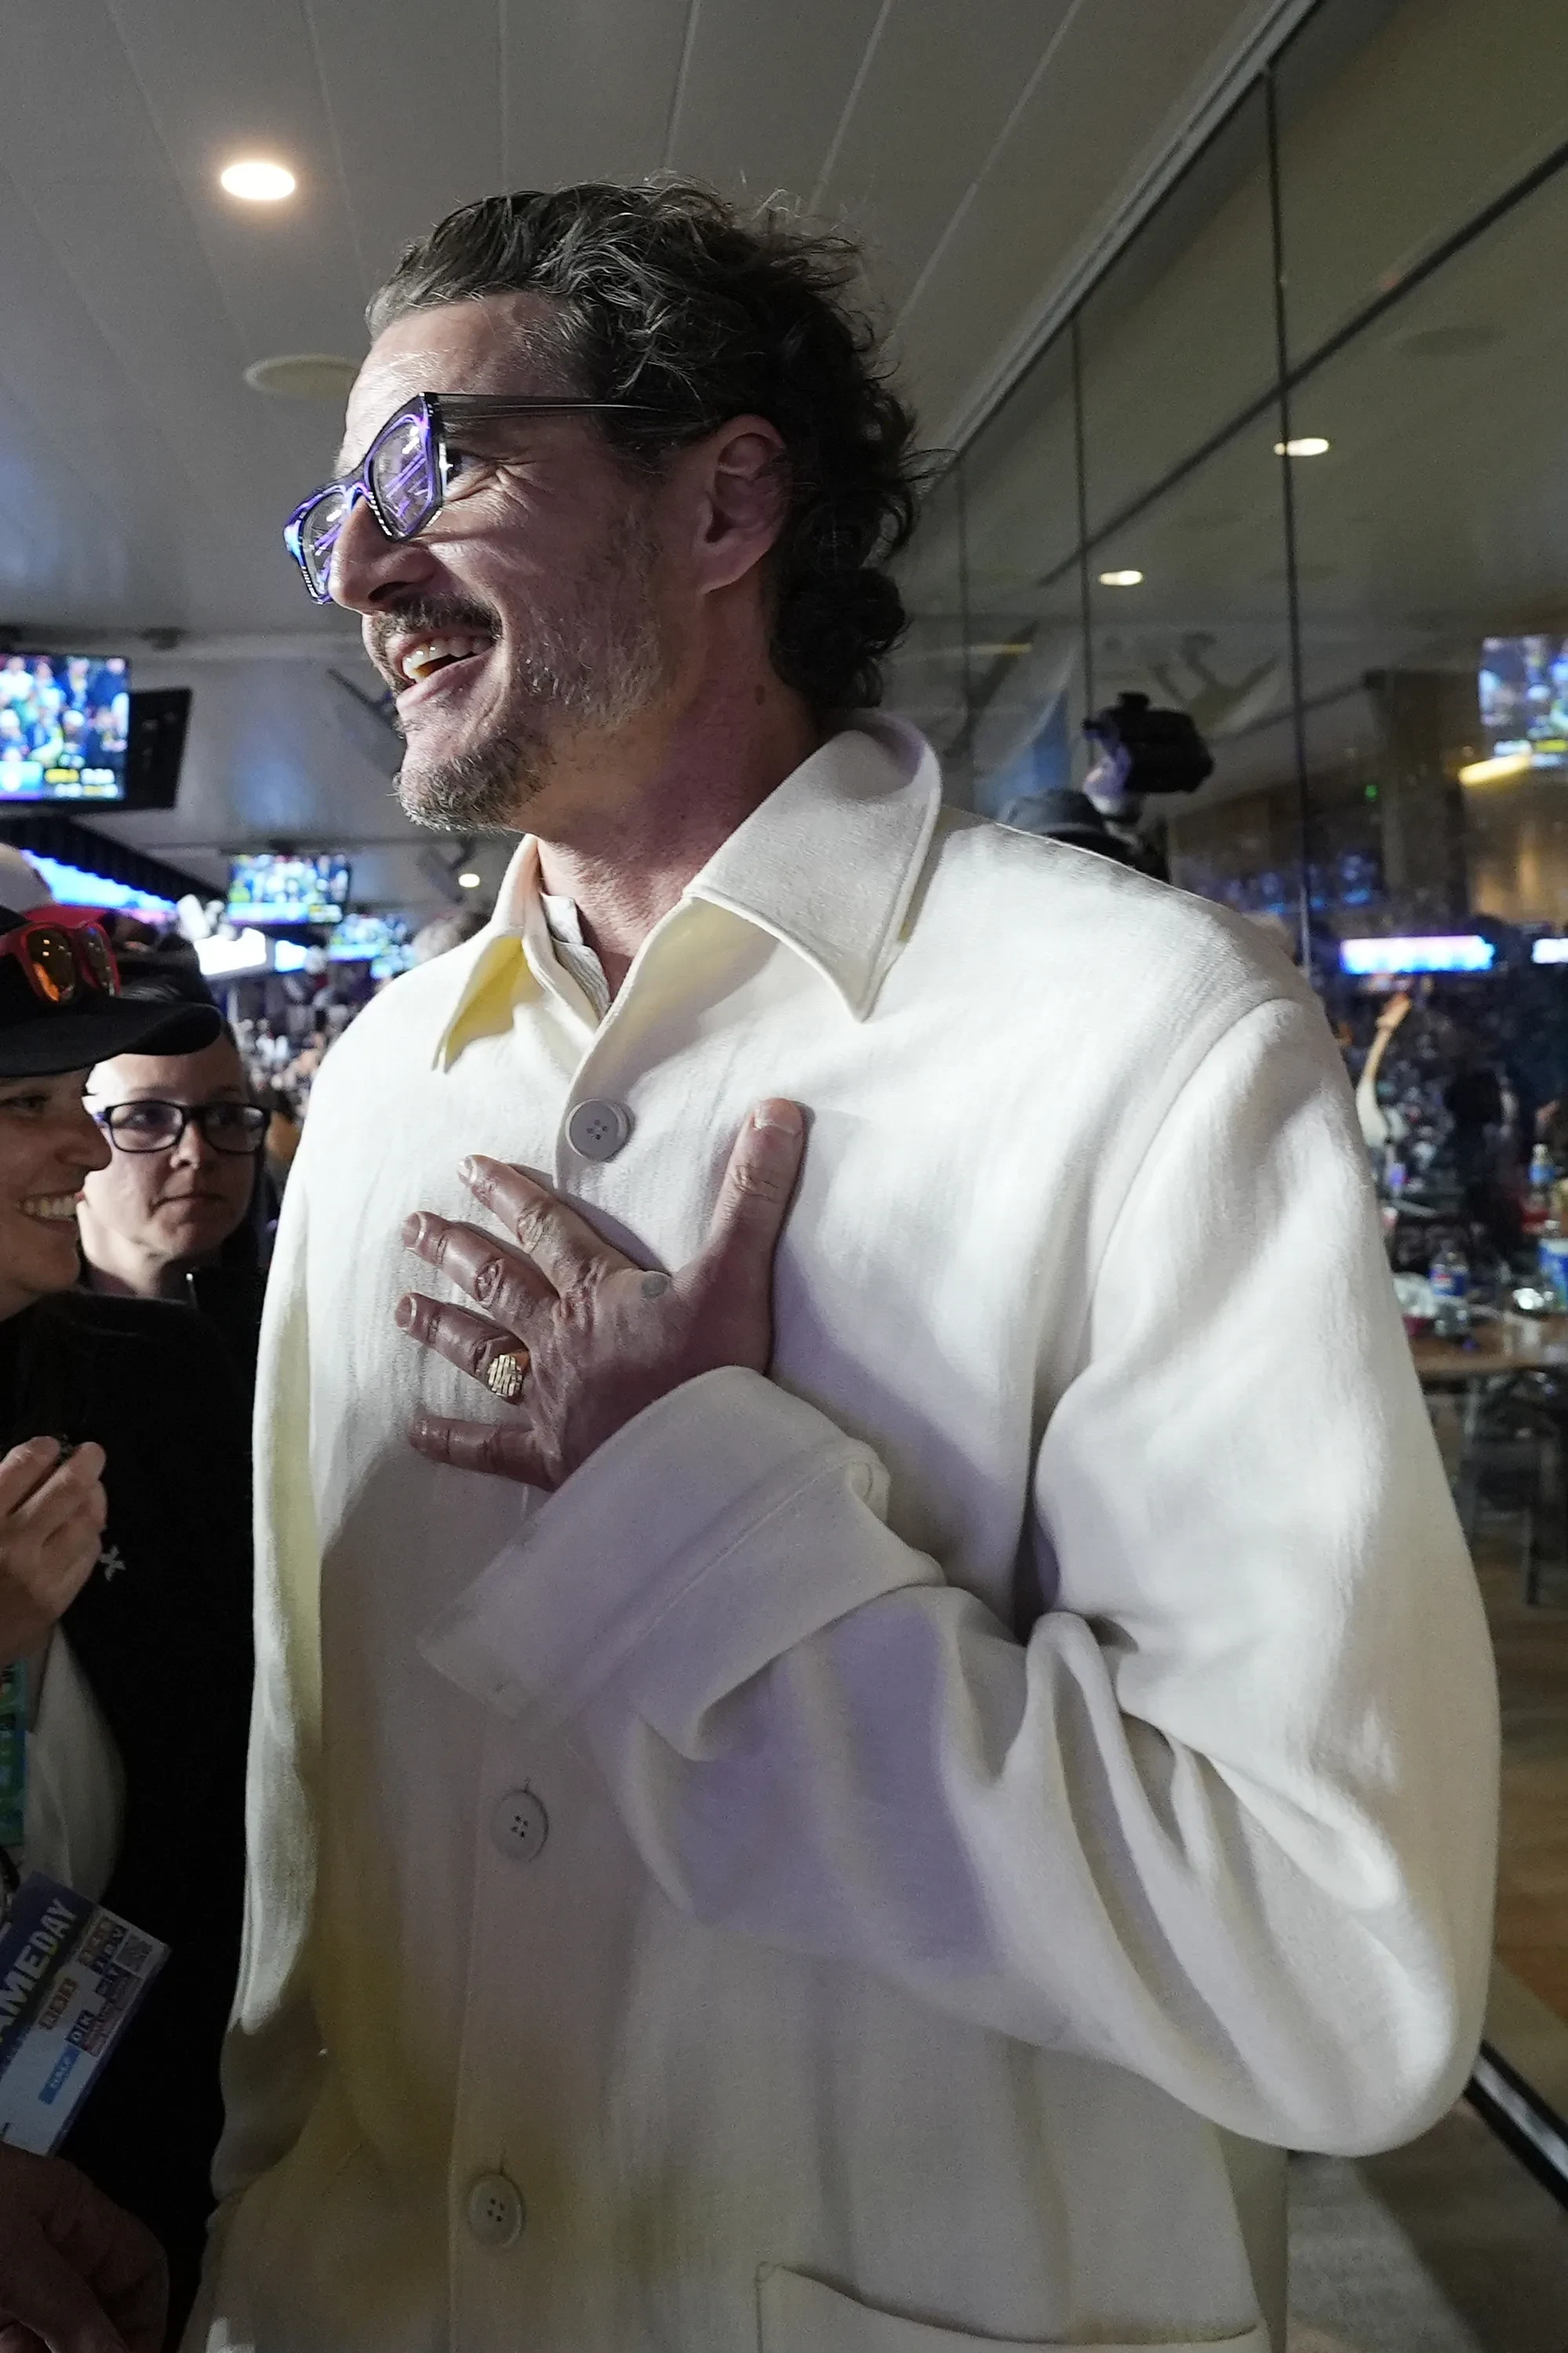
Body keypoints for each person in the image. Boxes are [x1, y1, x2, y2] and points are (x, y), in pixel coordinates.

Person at [195, 185, 1498, 2353]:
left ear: (725, 501)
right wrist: (248, 2223)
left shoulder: (1143, 1037)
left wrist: (689, 1515)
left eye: (437, 466)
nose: (358, 570)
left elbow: (1330, 1974)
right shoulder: (389, 1078)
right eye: (336, 507)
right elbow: (310, 1790)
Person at [0, 904, 253, 2345]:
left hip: (154, 2111)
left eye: (74, 1102)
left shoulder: (154, 1380)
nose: (87, 1155)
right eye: (26, 1109)